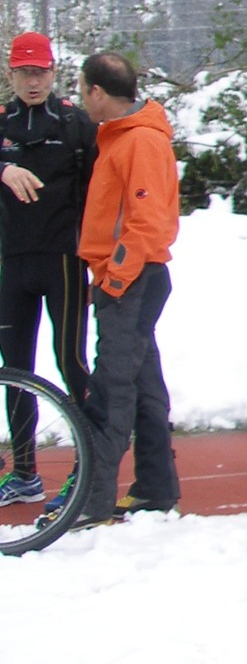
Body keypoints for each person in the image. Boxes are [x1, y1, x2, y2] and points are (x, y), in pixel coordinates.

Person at [70, 51, 181, 526]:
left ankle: (88, 504)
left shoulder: (138, 142)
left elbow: (147, 223)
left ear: (97, 91)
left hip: (130, 282)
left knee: (111, 390)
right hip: (133, 279)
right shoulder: (121, 137)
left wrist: (114, 279)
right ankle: (156, 489)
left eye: (80, 89)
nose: (78, 99)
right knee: (142, 385)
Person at [0, 31, 95, 507]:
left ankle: (90, 466)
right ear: (11, 74)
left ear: (53, 72)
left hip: (63, 260)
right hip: (12, 261)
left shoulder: (76, 123)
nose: (33, 82)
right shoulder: (2, 123)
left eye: (40, 72)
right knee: (15, 369)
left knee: (71, 361)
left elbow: (103, 187)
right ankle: (23, 473)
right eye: (24, 73)